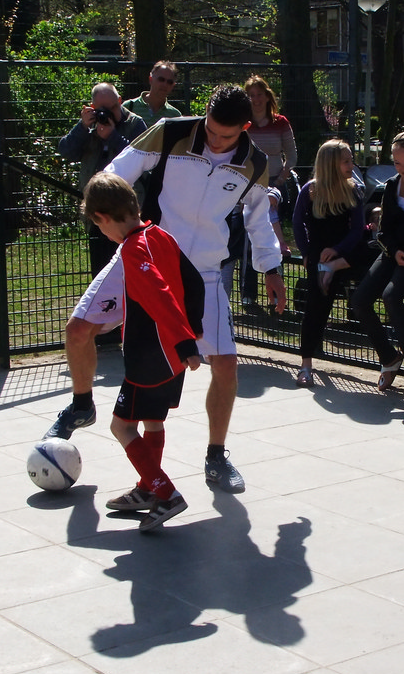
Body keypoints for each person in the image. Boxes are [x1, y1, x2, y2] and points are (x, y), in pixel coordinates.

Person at [45, 85, 285, 498]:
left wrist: (271, 268)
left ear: (245, 128)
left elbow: (258, 219)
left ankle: (216, 455)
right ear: (204, 113)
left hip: (203, 273)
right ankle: (82, 404)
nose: (215, 141)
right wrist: (112, 211)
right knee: (78, 329)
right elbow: (116, 172)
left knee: (226, 364)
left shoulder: (256, 163)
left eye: (226, 136)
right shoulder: (170, 132)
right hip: (147, 255)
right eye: (211, 130)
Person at [74, 174, 203, 531]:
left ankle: (166, 493)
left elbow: (160, 295)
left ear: (102, 217)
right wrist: (193, 330)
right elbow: (193, 282)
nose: (102, 232)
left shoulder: (132, 250)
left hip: (150, 357)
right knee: (152, 420)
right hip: (172, 358)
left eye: (98, 225)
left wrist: (184, 340)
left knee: (121, 426)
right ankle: (147, 488)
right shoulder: (161, 235)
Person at [350, 131, 404, 403]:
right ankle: (389, 357)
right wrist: (396, 252)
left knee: (392, 296)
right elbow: (383, 231)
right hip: (393, 253)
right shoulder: (391, 186)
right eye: (397, 163)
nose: (403, 168)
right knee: (360, 300)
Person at [292, 139, 366, 387]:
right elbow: (297, 224)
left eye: (351, 160)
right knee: (315, 308)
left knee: (368, 249)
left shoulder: (354, 190)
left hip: (343, 253)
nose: (351, 165)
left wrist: (338, 250)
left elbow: (357, 230)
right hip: (318, 254)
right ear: (331, 164)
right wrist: (305, 252)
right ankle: (306, 365)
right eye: (346, 161)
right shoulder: (310, 190)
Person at [58, 82, 147, 277]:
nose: (108, 114)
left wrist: (113, 137)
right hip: (98, 210)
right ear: (92, 107)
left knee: (131, 269)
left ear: (120, 101)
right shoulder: (89, 126)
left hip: (127, 211)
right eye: (102, 110)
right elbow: (65, 151)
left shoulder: (135, 124)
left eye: (112, 108)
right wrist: (82, 126)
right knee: (101, 271)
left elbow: (143, 160)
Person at [237, 76, 297, 303]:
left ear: (267, 96)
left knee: (273, 237)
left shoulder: (280, 122)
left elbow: (291, 155)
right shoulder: (243, 124)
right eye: (251, 95)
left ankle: (276, 291)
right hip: (249, 186)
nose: (256, 99)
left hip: (275, 184)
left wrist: (281, 178)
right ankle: (248, 293)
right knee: (249, 237)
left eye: (259, 94)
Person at [123, 60, 182, 125]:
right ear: (150, 79)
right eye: (161, 79)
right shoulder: (129, 107)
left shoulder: (175, 115)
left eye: (169, 82)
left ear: (173, 86)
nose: (165, 84)